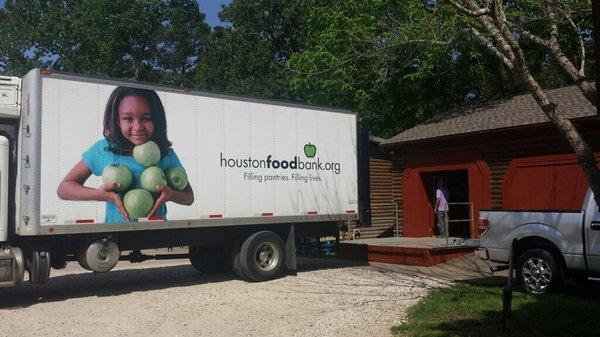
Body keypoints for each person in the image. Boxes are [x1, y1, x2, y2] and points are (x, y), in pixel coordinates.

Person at [57, 86, 194, 223]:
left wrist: (170, 195)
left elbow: (189, 197)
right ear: (118, 121)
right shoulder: (105, 149)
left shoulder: (164, 152)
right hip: (116, 236)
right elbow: (64, 188)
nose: (138, 127)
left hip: (155, 235)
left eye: (146, 118)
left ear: (156, 120)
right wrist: (100, 195)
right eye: (128, 118)